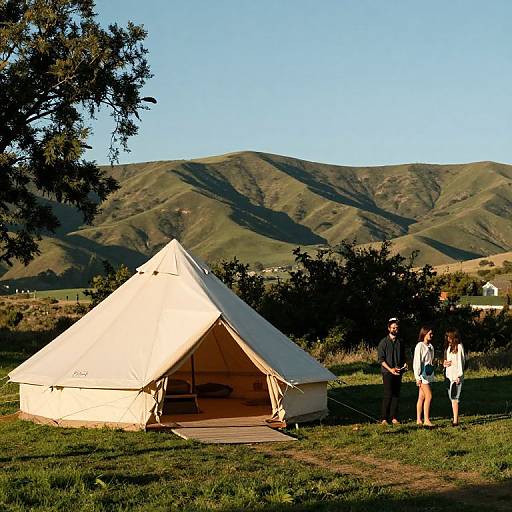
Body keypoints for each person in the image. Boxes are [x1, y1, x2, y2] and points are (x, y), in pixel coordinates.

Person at [377, 317, 406, 425]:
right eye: (393, 328)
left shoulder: (400, 342)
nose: (395, 330)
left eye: (396, 328)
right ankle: (384, 418)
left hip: (398, 371)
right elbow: (381, 359)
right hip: (387, 372)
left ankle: (394, 417)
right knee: (388, 394)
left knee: (396, 394)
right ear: (389, 328)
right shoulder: (383, 342)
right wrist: (390, 369)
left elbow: (403, 357)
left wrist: (404, 365)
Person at [413, 326, 435, 427]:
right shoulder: (420, 346)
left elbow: (430, 360)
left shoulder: (431, 346)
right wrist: (417, 377)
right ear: (424, 334)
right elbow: (417, 361)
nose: (431, 335)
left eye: (432, 334)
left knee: (421, 397)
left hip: (429, 374)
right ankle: (426, 419)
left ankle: (418, 419)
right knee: (429, 396)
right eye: (429, 333)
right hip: (422, 375)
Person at [443, 328, 465, 426]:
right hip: (449, 376)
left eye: (449, 336)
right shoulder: (448, 347)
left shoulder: (459, 347)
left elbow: (461, 362)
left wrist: (459, 376)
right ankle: (454, 417)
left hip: (456, 377)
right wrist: (445, 363)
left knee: (455, 398)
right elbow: (447, 361)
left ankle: (455, 420)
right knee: (451, 398)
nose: (447, 338)